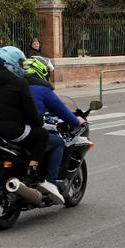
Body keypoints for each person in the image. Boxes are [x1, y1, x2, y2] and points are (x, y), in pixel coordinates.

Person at [0, 45, 53, 178]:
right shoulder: (20, 83)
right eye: (19, 63)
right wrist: (38, 122)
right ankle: (32, 169)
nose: (22, 67)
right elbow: (30, 112)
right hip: (11, 131)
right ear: (10, 64)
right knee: (42, 135)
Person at [22, 56, 85, 203]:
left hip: (2, 131)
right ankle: (50, 182)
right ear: (41, 71)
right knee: (57, 142)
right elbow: (62, 110)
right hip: (26, 132)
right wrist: (76, 120)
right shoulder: (43, 89)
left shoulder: (16, 85)